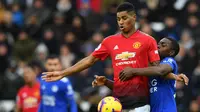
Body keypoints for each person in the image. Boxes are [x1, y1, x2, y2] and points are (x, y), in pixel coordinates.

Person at [42, 2, 177, 111]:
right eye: (118, 19)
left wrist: (174, 76)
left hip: (140, 104)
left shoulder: (148, 40)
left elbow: (157, 71)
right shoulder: (109, 41)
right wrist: (63, 73)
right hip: (116, 103)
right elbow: (89, 60)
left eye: (124, 18)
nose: (121, 22)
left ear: (134, 17)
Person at [93, 37, 189, 112]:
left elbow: (161, 71)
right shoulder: (147, 71)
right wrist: (106, 82)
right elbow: (125, 91)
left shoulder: (169, 61)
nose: (157, 46)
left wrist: (133, 71)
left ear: (171, 52)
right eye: (158, 44)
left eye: (163, 45)